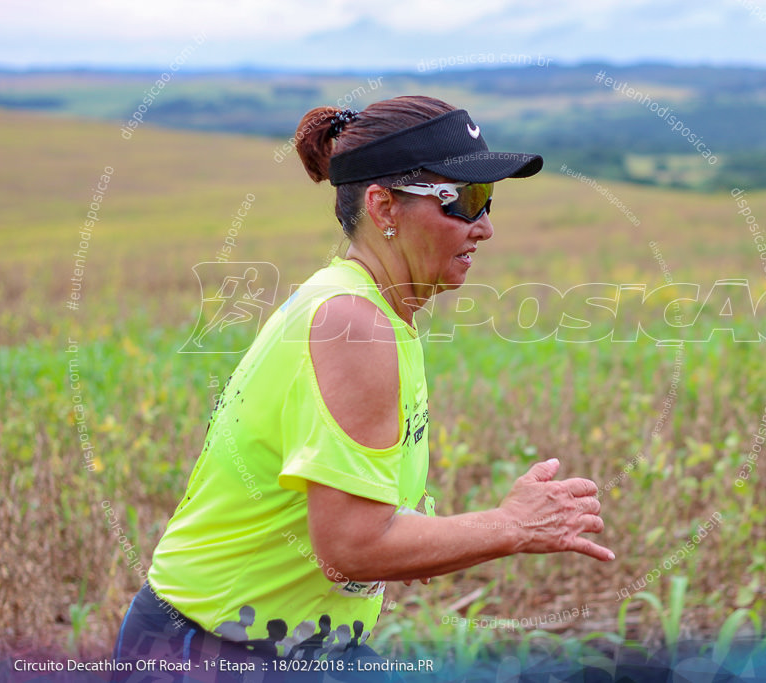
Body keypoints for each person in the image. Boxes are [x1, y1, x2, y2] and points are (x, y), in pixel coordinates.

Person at [112, 95, 612, 680]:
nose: (486, 226)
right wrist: (513, 526)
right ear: (383, 207)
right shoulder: (356, 323)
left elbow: (357, 516)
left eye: (489, 200)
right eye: (464, 200)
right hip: (211, 649)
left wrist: (431, 537)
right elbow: (350, 547)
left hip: (278, 644)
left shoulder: (369, 306)